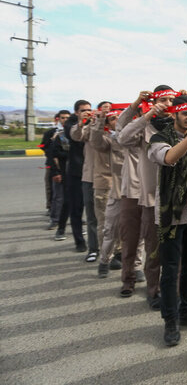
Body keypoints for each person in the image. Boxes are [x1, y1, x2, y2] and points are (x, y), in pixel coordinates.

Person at [148, 95, 187, 347]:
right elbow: (169, 158)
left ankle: (186, 310)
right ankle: (170, 320)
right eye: (185, 115)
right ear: (175, 115)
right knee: (170, 269)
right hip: (170, 216)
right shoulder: (160, 138)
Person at [117, 87, 177, 302]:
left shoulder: (177, 125)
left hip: (167, 196)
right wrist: (141, 108)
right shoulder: (144, 126)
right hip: (139, 193)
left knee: (165, 249)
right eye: (163, 99)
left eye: (172, 100)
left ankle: (163, 292)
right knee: (135, 240)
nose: (168, 103)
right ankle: (132, 280)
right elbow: (121, 134)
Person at [70, 101, 111, 263]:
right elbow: (76, 135)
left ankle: (114, 250)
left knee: (112, 217)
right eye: (102, 110)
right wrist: (84, 121)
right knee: (93, 216)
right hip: (90, 178)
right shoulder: (91, 127)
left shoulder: (116, 128)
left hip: (112, 179)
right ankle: (94, 249)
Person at [89, 108, 125, 277]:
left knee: (132, 230)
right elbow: (95, 142)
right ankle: (105, 260)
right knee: (108, 227)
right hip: (111, 188)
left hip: (132, 189)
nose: (117, 121)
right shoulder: (108, 139)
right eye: (112, 118)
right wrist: (99, 120)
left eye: (120, 117)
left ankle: (127, 261)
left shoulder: (133, 136)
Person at [62, 100, 92, 253]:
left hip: (93, 172)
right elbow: (70, 134)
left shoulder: (94, 120)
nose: (87, 112)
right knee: (76, 209)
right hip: (76, 173)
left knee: (95, 212)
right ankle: (79, 241)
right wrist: (81, 122)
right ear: (76, 112)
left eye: (89, 109)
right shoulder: (71, 123)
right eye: (83, 110)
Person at [44, 110, 70, 229]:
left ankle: (75, 218)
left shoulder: (73, 132)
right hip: (57, 167)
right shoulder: (51, 133)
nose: (65, 120)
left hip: (71, 169)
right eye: (63, 118)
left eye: (67, 118)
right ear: (58, 119)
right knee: (57, 195)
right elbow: (48, 150)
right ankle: (55, 219)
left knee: (73, 196)